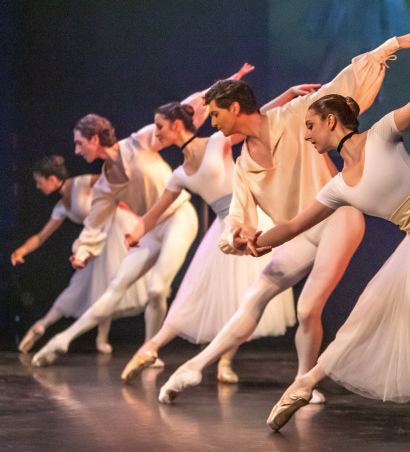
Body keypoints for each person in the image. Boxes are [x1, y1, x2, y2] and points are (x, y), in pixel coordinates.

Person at [155, 25, 410, 405]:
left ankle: (304, 383)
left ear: (235, 109)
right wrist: (236, 237)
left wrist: (388, 47)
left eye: (216, 114)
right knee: (256, 294)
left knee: (308, 307)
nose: (213, 122)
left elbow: (343, 85)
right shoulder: (242, 165)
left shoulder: (293, 115)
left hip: (339, 219)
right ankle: (192, 367)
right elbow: (240, 218)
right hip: (300, 232)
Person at [248, 30, 410, 433]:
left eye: (310, 126)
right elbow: (294, 225)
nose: (307, 134)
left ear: (331, 121)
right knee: (375, 313)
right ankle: (304, 384)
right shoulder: (337, 187)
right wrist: (253, 244)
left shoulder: (383, 133)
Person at [31, 64, 252, 367]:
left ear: (95, 139)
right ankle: (61, 341)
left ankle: (150, 351)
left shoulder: (140, 141)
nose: (77, 149)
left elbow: (184, 114)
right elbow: (94, 222)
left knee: (157, 288)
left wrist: (230, 82)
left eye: (80, 143)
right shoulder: (105, 183)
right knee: (115, 287)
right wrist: (82, 252)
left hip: (177, 218)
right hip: (147, 229)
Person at [120, 97, 298, 384]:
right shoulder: (178, 175)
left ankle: (224, 362)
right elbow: (152, 215)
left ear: (177, 126)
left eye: (159, 127)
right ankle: (149, 348)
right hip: (222, 231)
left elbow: (256, 117)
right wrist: (134, 234)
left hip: (251, 221)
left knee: (245, 296)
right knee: (189, 297)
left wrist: (288, 94)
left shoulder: (218, 141)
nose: (156, 134)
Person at [12, 155, 149, 354]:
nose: (37, 186)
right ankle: (42, 324)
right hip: (96, 239)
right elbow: (41, 237)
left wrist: (120, 198)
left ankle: (101, 337)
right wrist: (22, 250)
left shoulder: (80, 183)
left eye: (39, 182)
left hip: (116, 227)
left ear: (51, 179)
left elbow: (109, 177)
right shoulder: (61, 207)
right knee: (85, 285)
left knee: (109, 282)